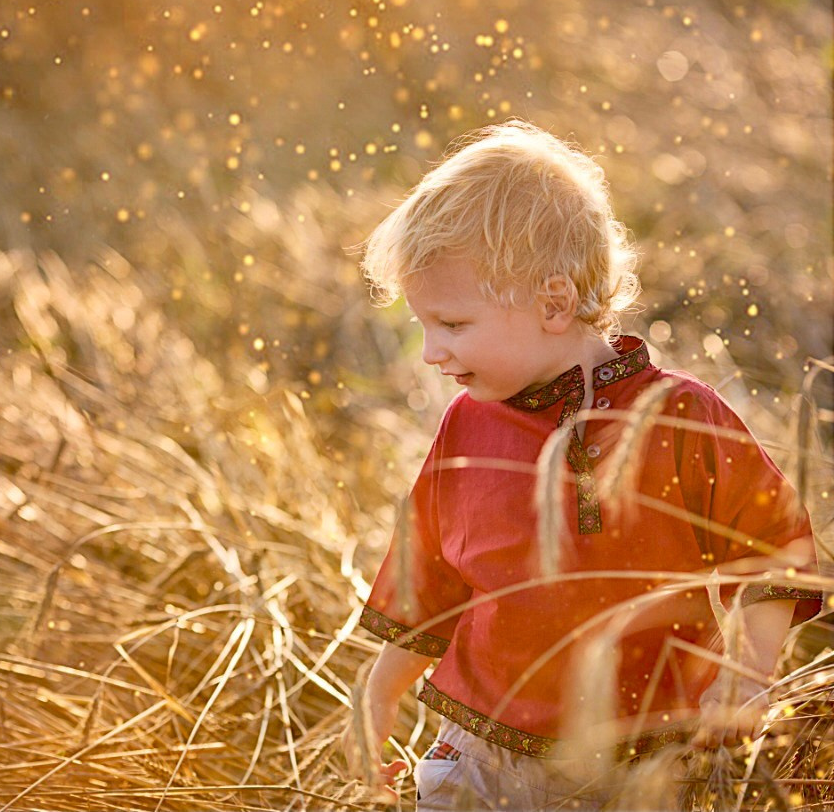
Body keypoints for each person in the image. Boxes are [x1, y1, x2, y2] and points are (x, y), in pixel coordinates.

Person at [346, 121, 822, 809]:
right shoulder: (468, 423)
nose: (430, 352)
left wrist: (747, 674)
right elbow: (432, 577)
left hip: (648, 754)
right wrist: (381, 690)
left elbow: (774, 546)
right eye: (423, 325)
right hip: (486, 748)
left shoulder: (679, 415)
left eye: (451, 324)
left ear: (554, 302)